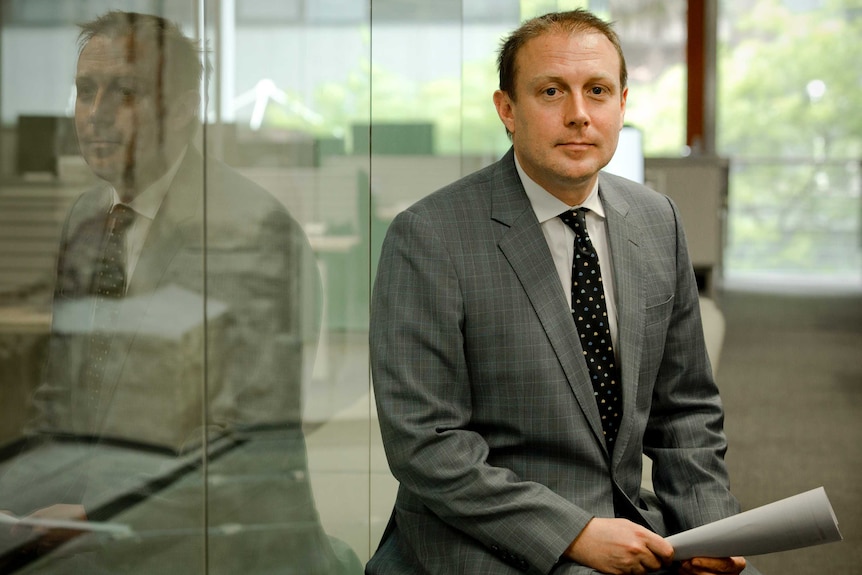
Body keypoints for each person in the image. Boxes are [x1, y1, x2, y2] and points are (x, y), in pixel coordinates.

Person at [368, 9, 759, 575]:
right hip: (482, 536)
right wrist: (573, 533)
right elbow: (425, 444)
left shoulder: (657, 220)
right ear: (507, 109)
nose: (578, 114)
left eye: (597, 91)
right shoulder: (429, 237)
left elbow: (686, 410)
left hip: (628, 524)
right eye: (552, 91)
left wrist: (709, 529)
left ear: (621, 104)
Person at [0, 11, 360, 574]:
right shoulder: (89, 216)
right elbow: (64, 400)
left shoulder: (249, 229)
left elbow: (243, 445)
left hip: (208, 532)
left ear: (185, 110)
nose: (94, 116)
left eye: (126, 93)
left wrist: (94, 515)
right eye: (85, 91)